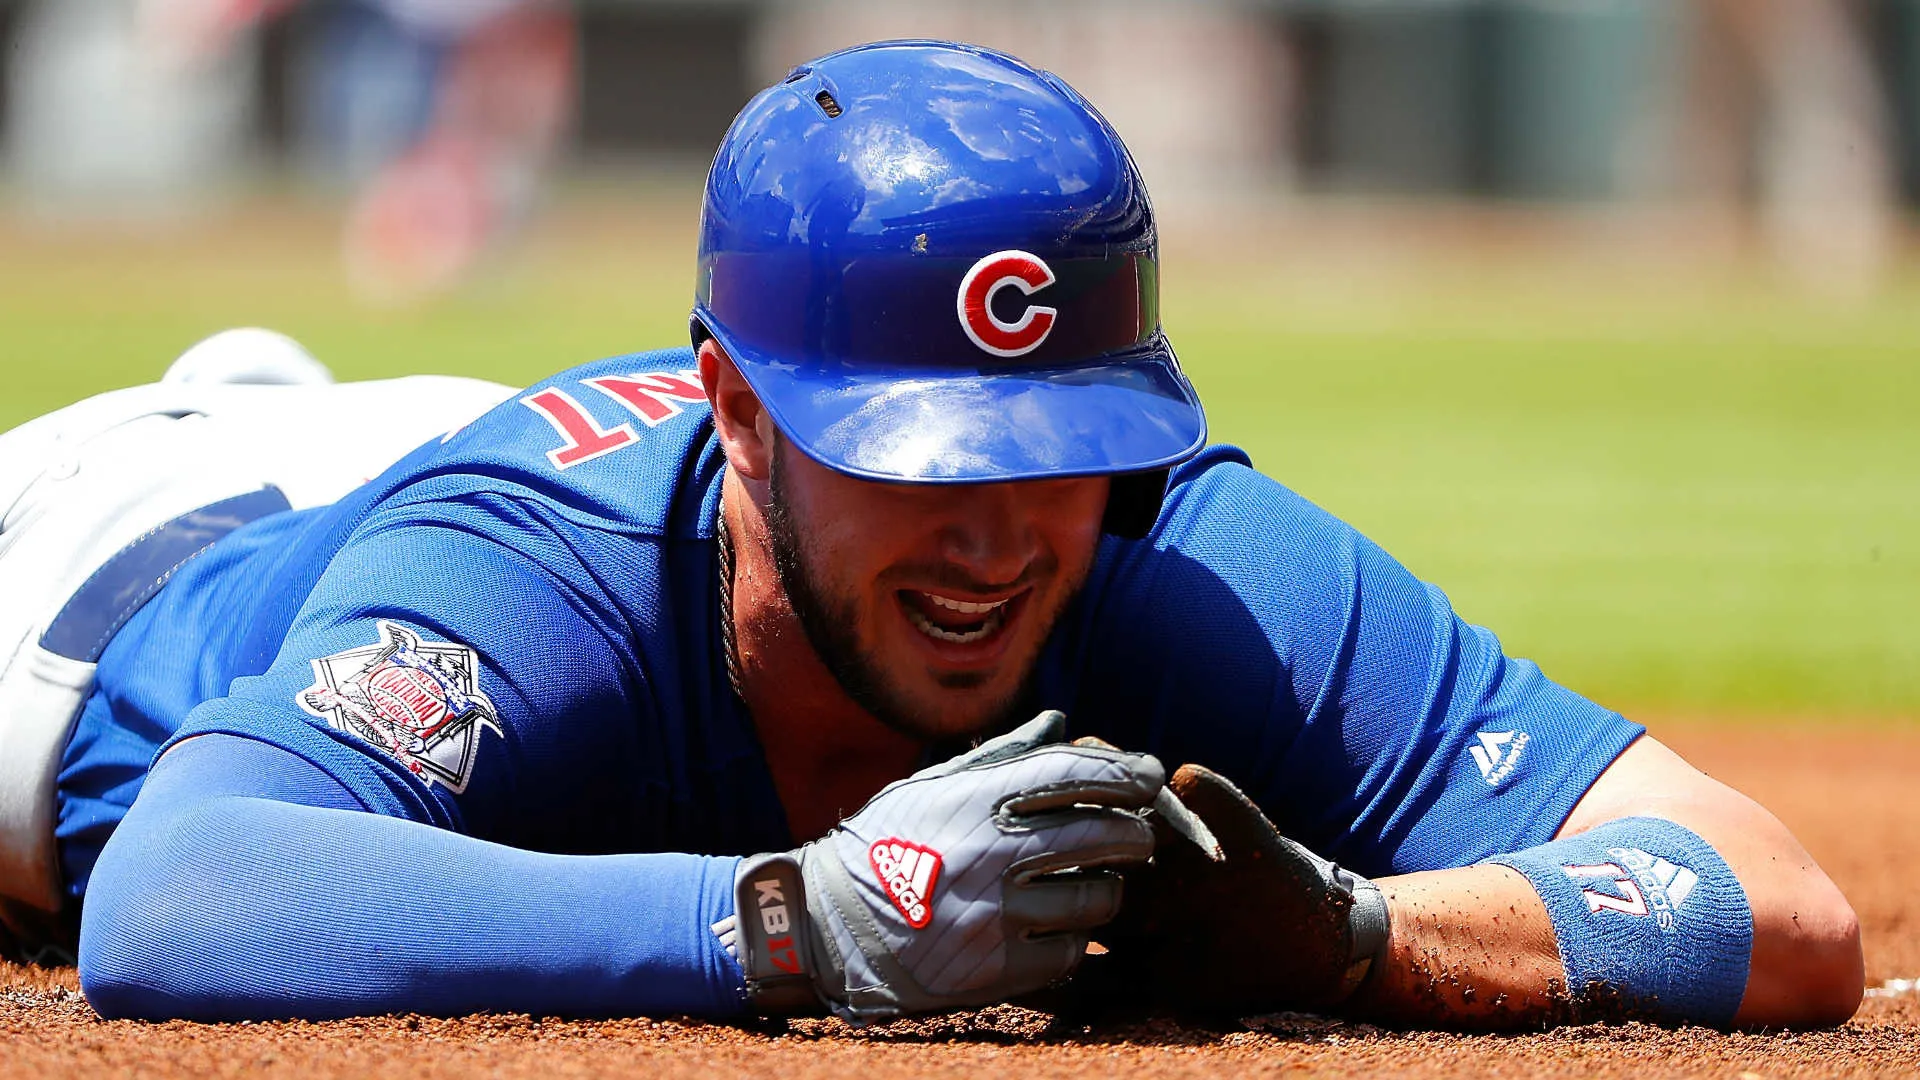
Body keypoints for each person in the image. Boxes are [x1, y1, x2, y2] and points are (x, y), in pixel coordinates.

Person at [0, 41, 1861, 1029]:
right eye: (922, 458)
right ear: (740, 412)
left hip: (406, 472)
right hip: (87, 570)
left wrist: (1363, 937)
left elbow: (1778, 906)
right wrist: (794, 924)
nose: (995, 537)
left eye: (1057, 448)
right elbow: (182, 893)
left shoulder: (1182, 557)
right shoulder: (545, 564)